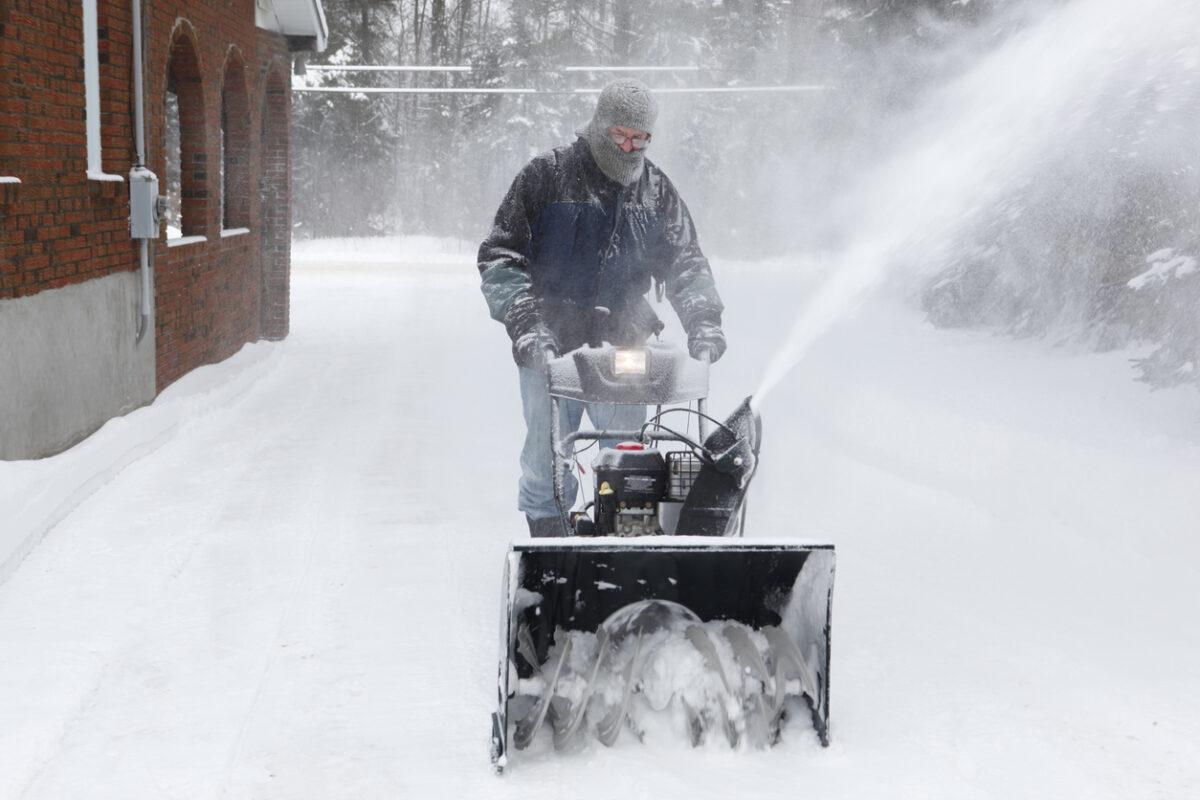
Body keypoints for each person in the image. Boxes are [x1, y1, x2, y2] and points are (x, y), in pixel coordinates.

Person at [477, 78, 726, 537]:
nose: (630, 148)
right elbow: (499, 256)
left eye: (640, 139)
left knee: (629, 454)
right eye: (620, 136)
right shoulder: (546, 176)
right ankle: (550, 546)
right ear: (599, 126)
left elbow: (685, 261)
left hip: (624, 345)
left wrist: (704, 319)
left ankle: (625, 538)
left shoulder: (655, 191)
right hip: (550, 341)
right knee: (546, 458)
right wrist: (526, 322)